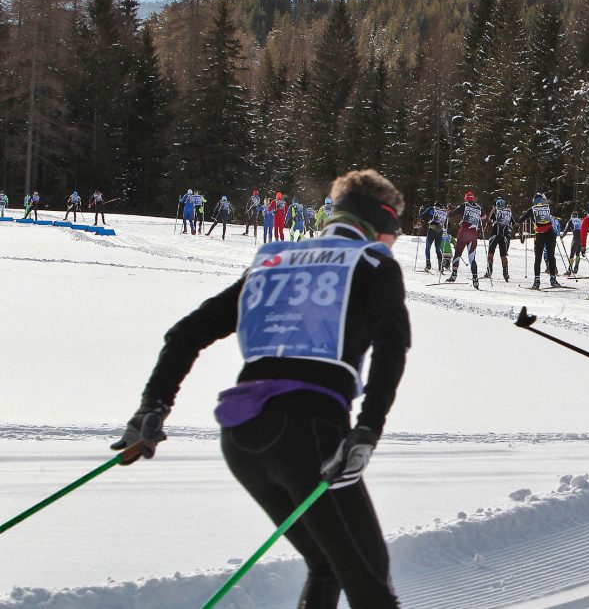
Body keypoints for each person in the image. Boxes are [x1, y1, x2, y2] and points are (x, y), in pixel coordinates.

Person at [111, 169, 408, 609]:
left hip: (242, 439)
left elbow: (185, 333)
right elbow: (391, 344)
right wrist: (367, 430)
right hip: (309, 434)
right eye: (395, 232)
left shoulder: (273, 261)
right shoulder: (372, 262)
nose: (394, 243)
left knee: (327, 565)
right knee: (370, 584)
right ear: (380, 225)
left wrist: (151, 407)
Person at [517, 193, 562, 290]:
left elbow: (521, 219)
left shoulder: (532, 209)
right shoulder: (548, 207)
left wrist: (523, 219)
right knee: (551, 256)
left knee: (538, 257)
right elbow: (556, 215)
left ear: (534, 201)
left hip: (540, 234)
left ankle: (537, 281)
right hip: (550, 233)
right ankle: (553, 279)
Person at [446, 191, 484, 288]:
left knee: (458, 254)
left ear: (466, 198)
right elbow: (484, 217)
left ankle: (454, 275)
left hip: (463, 233)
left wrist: (449, 210)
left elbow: (451, 215)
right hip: (473, 235)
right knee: (472, 258)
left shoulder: (464, 205)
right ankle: (475, 279)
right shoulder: (479, 207)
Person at [484, 197, 516, 281]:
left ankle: (489, 270)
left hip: (494, 234)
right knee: (503, 255)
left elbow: (488, 220)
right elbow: (514, 223)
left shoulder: (495, 211)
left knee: (491, 253)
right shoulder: (508, 212)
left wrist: (492, 210)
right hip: (504, 236)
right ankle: (505, 272)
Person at [416, 201, 448, 272]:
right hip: (440, 231)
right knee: (438, 249)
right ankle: (440, 267)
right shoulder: (443, 211)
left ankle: (428, 265)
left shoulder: (432, 209)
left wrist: (421, 210)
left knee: (428, 248)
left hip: (432, 230)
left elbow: (422, 215)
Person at [562, 210, 584, 276]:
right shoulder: (580, 220)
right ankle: (576, 268)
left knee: (572, 254)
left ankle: (569, 270)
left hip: (576, 237)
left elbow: (566, 229)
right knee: (578, 253)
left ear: (571, 216)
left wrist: (562, 236)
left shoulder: (571, 220)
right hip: (582, 237)